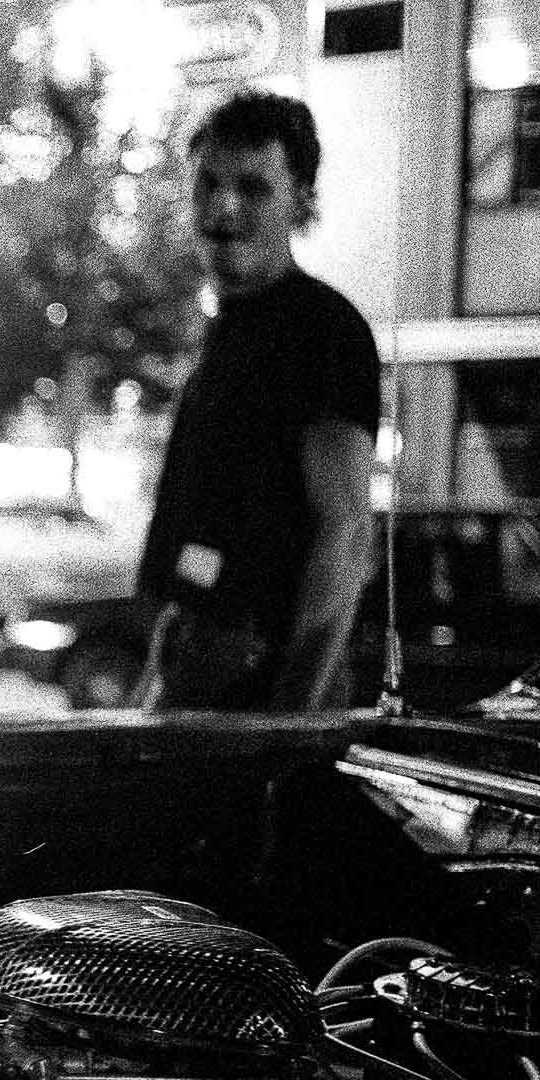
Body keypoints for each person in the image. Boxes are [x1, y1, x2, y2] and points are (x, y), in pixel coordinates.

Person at [132, 89, 381, 711]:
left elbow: (345, 529)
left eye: (253, 188)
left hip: (257, 669)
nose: (222, 207)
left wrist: (289, 719)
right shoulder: (233, 327)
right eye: (208, 183)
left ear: (301, 200)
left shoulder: (322, 328)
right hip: (202, 649)